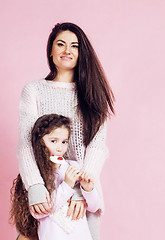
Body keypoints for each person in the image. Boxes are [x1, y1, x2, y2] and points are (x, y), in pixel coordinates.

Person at [16, 22, 114, 240]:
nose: (67, 51)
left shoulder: (93, 96)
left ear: (82, 53)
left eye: (75, 46)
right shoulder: (34, 90)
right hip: (43, 193)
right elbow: (26, 143)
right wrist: (35, 186)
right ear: (51, 50)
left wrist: (80, 191)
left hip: (80, 196)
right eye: (60, 44)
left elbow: (97, 147)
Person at [11, 114, 101, 240]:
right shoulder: (34, 176)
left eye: (64, 142)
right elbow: (40, 212)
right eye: (53, 141)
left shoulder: (73, 166)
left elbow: (94, 207)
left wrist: (88, 190)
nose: (60, 148)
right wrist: (67, 185)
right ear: (40, 141)